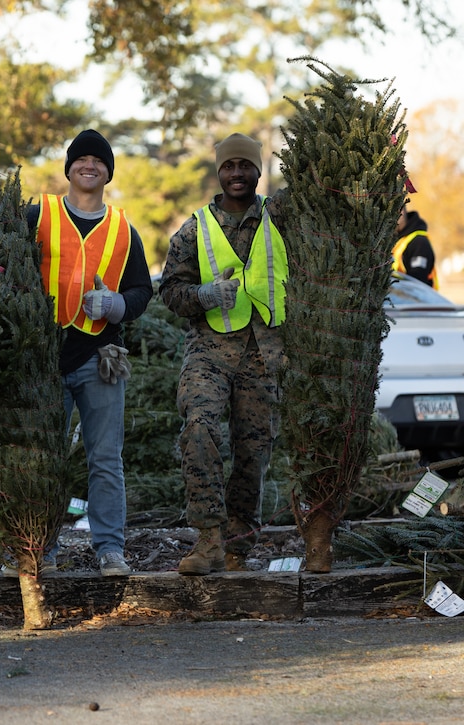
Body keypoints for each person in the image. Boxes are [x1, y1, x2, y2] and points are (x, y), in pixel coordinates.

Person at [158, 132, 292, 575]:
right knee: (199, 427)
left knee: (253, 453)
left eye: (245, 165)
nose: (237, 173)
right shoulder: (196, 227)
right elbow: (170, 291)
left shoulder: (279, 217)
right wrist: (202, 294)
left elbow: (314, 194)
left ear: (258, 171)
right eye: (229, 166)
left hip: (263, 354)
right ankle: (209, 539)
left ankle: (239, 545)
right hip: (209, 351)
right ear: (219, 173)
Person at [27, 129, 154, 576]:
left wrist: (116, 304)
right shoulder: (37, 214)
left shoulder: (122, 228)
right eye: (81, 159)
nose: (89, 165)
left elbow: (143, 290)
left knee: (105, 457)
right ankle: (38, 548)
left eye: (98, 160)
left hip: (101, 356)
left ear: (107, 172)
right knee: (42, 456)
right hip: (41, 356)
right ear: (68, 169)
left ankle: (110, 549)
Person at [394, 201, 438, 288]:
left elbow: (417, 281)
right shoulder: (397, 242)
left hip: (418, 300)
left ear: (401, 212)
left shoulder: (419, 243)